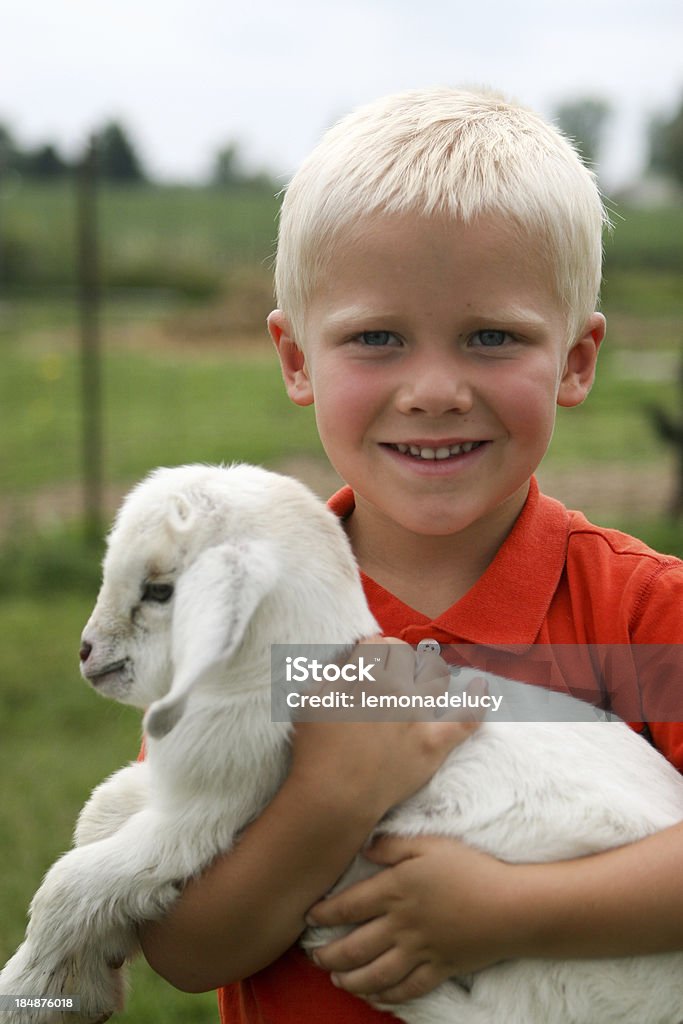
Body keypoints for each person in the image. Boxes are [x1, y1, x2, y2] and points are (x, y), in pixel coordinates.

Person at [138, 87, 683, 1023]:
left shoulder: (640, 612)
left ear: (576, 360)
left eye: (491, 338)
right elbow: (186, 949)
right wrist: (328, 800)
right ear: (296, 356)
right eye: (376, 338)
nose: (434, 390)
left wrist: (502, 913)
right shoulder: (234, 612)